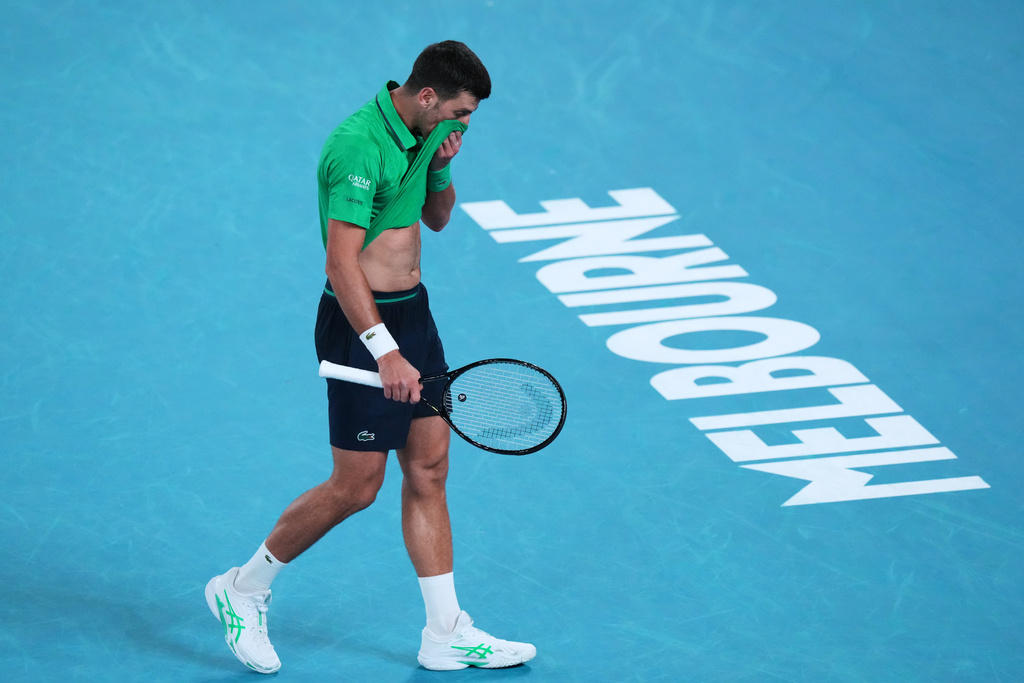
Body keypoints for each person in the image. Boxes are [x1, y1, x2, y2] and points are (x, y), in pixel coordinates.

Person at [204, 41, 536, 673]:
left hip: (414, 314)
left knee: (429, 468)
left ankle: (446, 632)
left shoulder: (426, 132)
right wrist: (384, 351)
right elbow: (340, 261)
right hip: (362, 325)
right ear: (428, 96)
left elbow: (437, 219)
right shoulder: (358, 145)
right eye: (460, 113)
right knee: (357, 487)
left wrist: (442, 166)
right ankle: (242, 589)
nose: (466, 123)